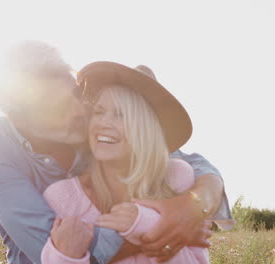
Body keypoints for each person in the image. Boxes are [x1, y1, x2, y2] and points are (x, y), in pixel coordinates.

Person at [0, 41, 233, 264]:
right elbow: (50, 246)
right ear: (24, 123)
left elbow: (174, 156)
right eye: (58, 109)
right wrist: (160, 227)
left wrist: (193, 203)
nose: (79, 111)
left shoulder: (95, 124)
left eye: (76, 95)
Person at [40, 62, 233, 263]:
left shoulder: (177, 177)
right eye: (99, 112)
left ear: (145, 129)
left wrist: (145, 223)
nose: (103, 123)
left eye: (121, 115)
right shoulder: (62, 197)